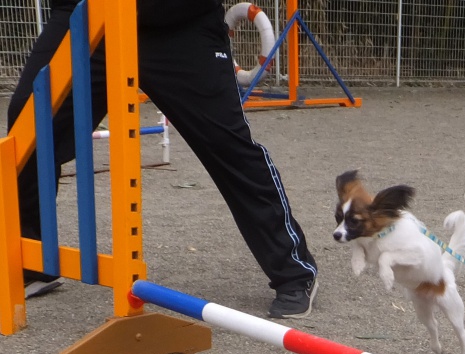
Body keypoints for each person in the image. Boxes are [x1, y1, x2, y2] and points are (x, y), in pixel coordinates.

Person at [8, 0, 318, 318]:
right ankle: (33, 258)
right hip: (88, 13)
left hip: (180, 23)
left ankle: (294, 270)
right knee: (28, 122)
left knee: (227, 145)